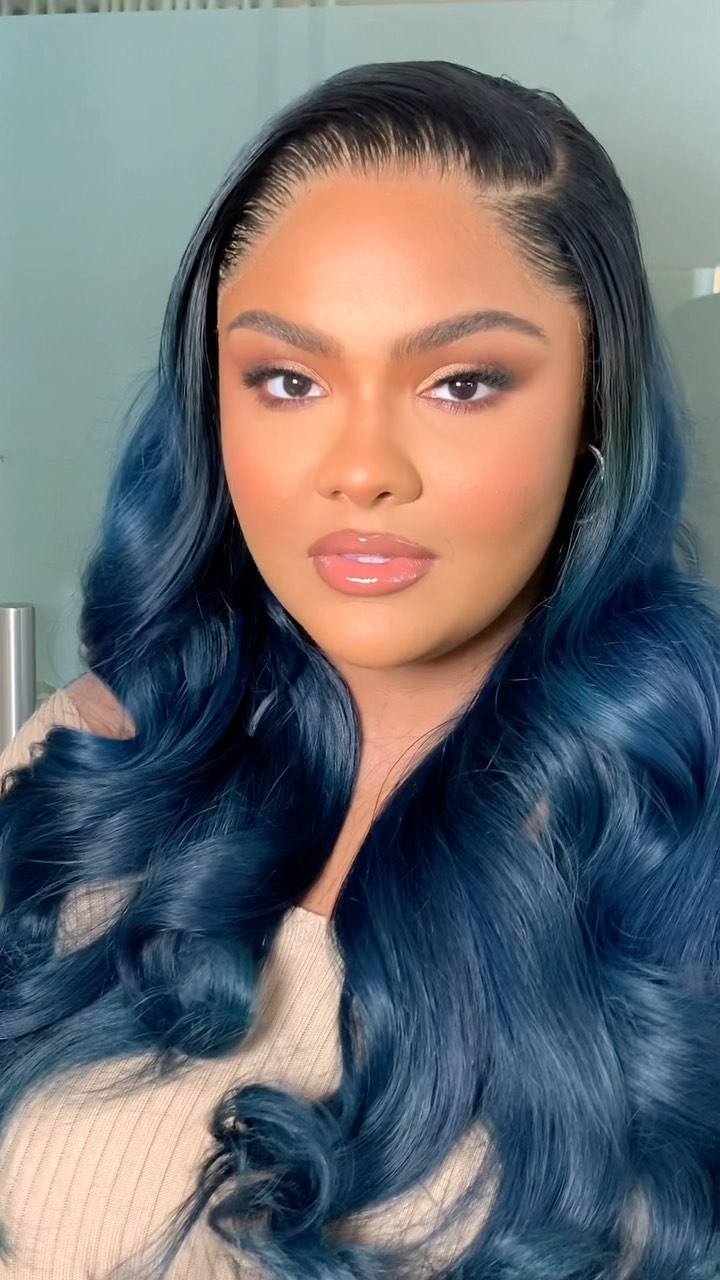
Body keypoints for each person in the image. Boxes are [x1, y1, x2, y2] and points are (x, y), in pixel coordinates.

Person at [0, 58, 717, 1280]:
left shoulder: (679, 847)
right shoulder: (94, 764)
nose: (363, 468)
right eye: (289, 380)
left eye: (461, 382)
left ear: (595, 407)